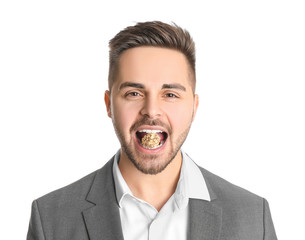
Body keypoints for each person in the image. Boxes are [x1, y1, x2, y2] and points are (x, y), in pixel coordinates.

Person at [27, 21, 277, 240]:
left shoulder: (254, 219)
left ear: (194, 107)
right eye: (134, 93)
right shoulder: (50, 219)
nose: (152, 110)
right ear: (108, 105)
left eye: (170, 94)